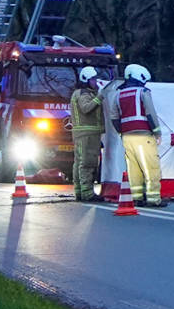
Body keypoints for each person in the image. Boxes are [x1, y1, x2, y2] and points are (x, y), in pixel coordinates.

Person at [114, 64, 165, 207]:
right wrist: (157, 132)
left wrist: (121, 131)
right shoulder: (143, 92)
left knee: (133, 168)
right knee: (151, 167)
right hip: (144, 135)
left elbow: (114, 116)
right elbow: (150, 113)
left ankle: (136, 198)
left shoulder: (118, 94)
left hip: (127, 137)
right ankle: (153, 199)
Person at [69, 67, 106, 202]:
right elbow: (86, 108)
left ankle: (80, 192)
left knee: (79, 163)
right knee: (87, 163)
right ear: (86, 80)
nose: (95, 81)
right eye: (93, 79)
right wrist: (99, 97)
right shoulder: (83, 94)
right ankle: (87, 194)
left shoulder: (82, 93)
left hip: (85, 133)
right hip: (87, 134)